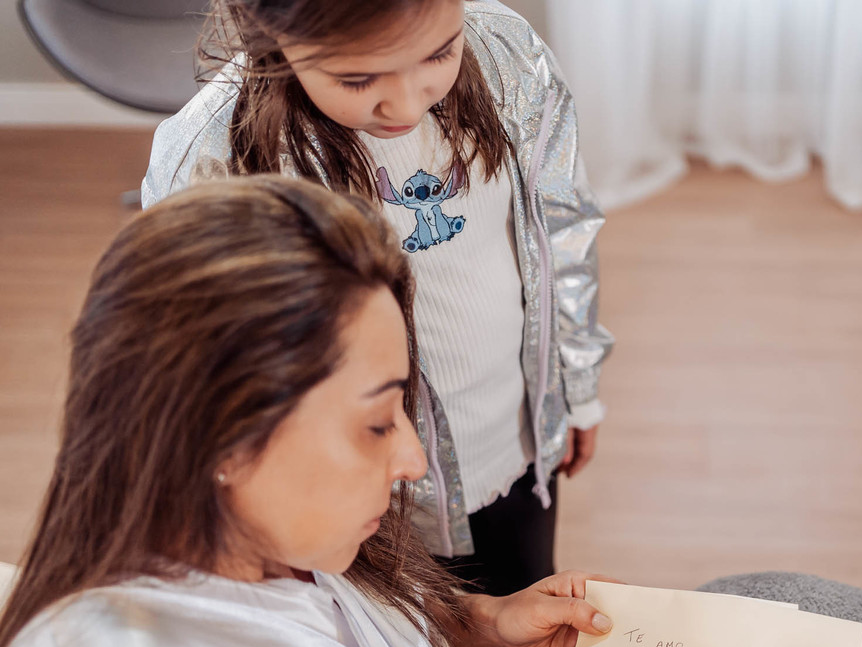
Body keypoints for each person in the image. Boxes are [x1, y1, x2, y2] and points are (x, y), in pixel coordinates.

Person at [0, 177, 854, 647]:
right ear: (218, 438)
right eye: (378, 423)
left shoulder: (256, 535)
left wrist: (482, 623)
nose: (412, 460)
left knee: (786, 603)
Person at [142, 0, 615, 596]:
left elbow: (562, 228)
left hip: (514, 438)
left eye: (440, 52)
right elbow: (202, 371)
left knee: (519, 609)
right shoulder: (214, 154)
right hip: (360, 497)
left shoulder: (510, 56)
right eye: (359, 79)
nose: (408, 104)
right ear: (273, 32)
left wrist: (577, 385)